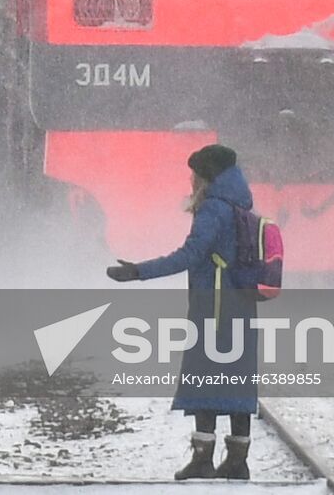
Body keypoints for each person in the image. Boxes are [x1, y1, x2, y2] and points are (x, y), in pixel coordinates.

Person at [106, 143, 257, 481]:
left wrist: (138, 272)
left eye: (194, 174)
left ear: (206, 177)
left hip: (214, 306)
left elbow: (189, 255)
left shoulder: (213, 209)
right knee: (236, 379)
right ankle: (237, 459)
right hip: (240, 304)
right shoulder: (242, 205)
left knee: (204, 377)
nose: (191, 180)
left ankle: (203, 459)